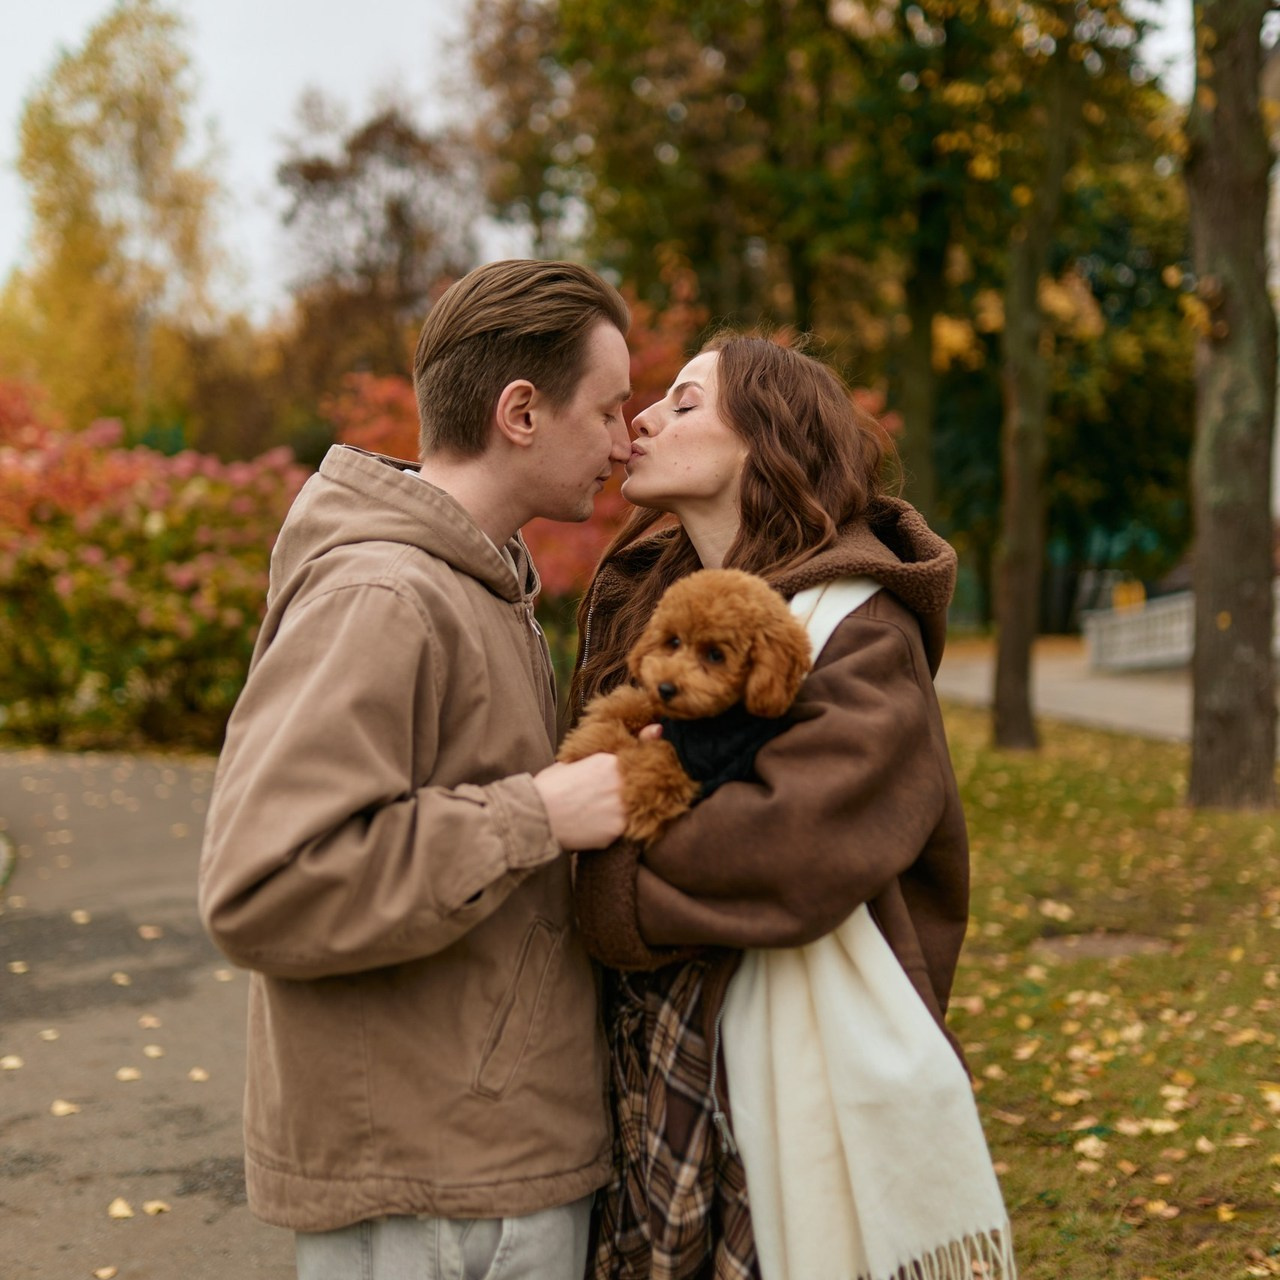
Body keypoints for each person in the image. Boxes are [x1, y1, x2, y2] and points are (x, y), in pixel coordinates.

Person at [198, 259, 638, 1280]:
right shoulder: (386, 594)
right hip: (439, 1200)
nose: (625, 442)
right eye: (610, 408)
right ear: (519, 411)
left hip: (478, 1167)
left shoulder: (476, 588)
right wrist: (537, 813)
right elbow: (263, 882)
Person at [570, 335, 1012, 1280]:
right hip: (655, 1071)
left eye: (685, 405)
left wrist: (593, 869)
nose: (643, 418)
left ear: (768, 440)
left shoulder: (859, 627)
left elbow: (789, 848)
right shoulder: (655, 610)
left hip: (782, 1087)